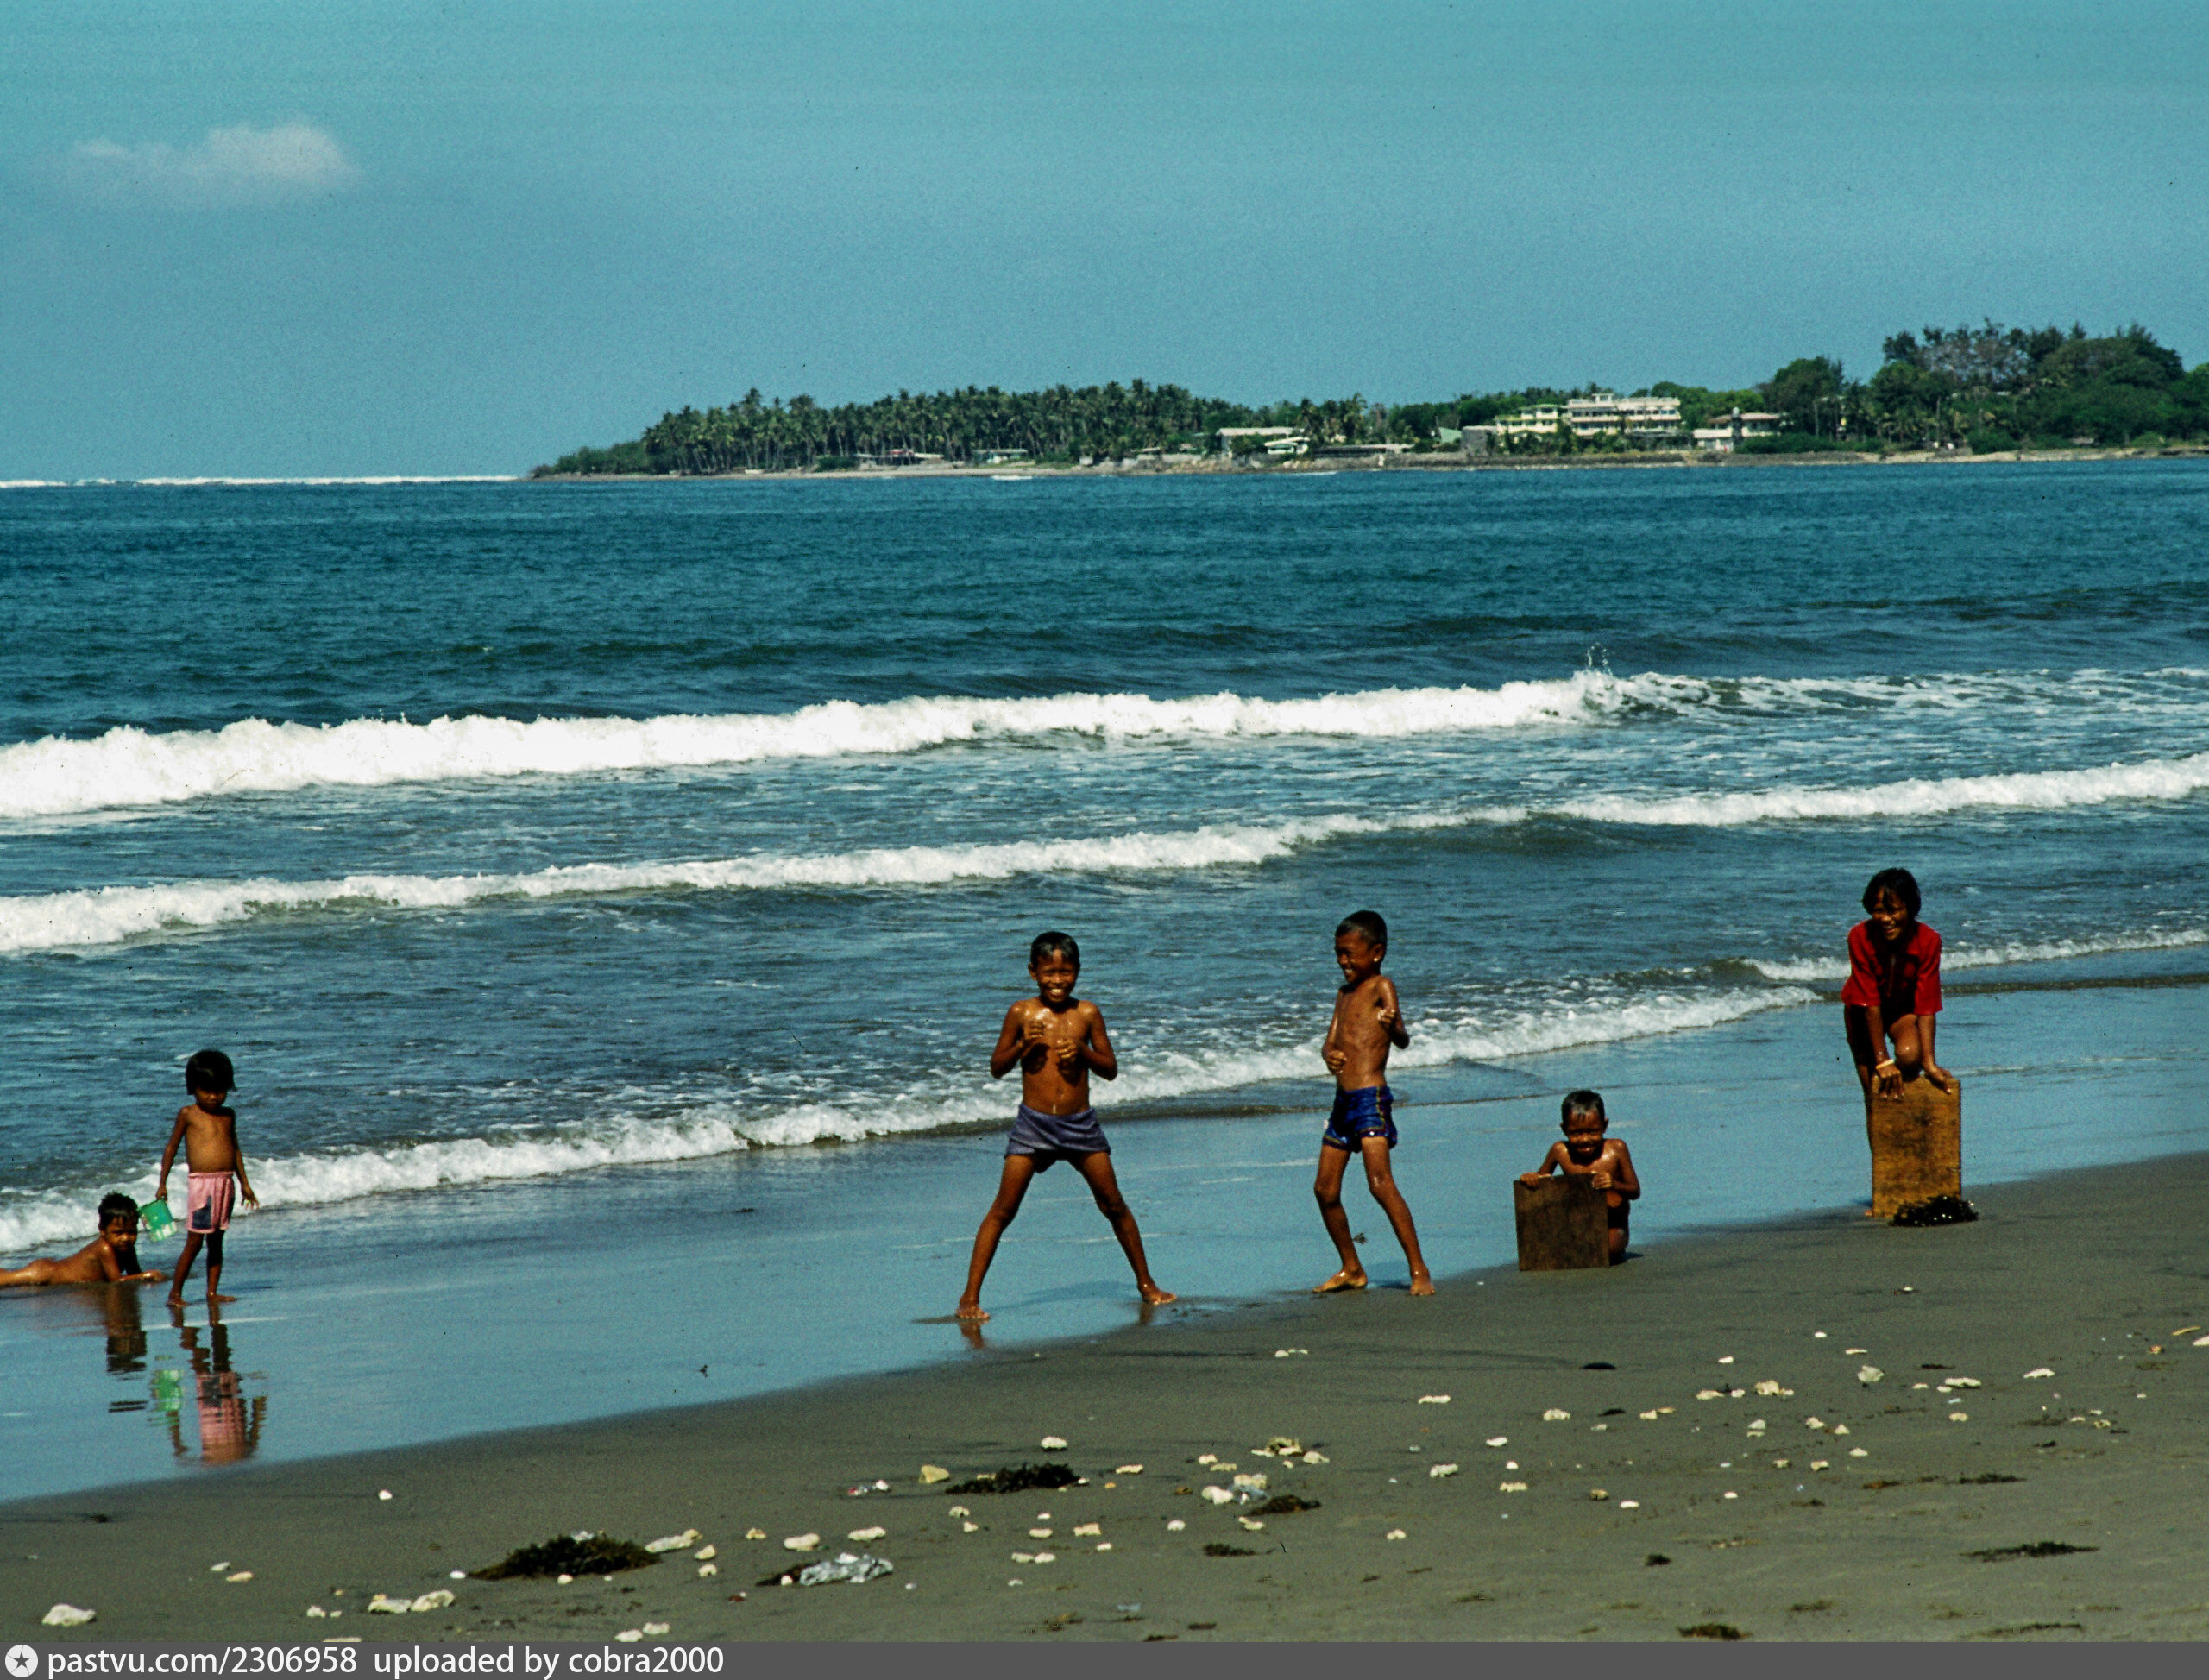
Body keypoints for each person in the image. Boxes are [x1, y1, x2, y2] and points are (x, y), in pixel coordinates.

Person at [955, 932, 1174, 1324]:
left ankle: (1147, 1284)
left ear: (1078, 972)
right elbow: (996, 1067)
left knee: (1114, 1204)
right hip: (1033, 1125)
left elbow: (1110, 1069)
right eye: (1049, 973)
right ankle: (968, 1298)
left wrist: (1085, 1052)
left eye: (1066, 973)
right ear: (1033, 973)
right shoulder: (1021, 1013)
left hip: (1080, 1125)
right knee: (1003, 1210)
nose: (1057, 981)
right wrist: (1023, 1047)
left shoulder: (1087, 1014)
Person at [1312, 910, 1434, 1296]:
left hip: (1370, 1099)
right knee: (1324, 1190)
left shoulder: (1382, 986)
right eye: (1338, 953)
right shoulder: (1343, 994)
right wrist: (1329, 1055)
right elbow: (1329, 1042)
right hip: (1342, 1103)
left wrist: (1391, 1023)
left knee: (1380, 1184)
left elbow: (1403, 1038)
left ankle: (1419, 1270)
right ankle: (1351, 1267)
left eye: (1349, 953)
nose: (1342, 961)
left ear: (1376, 952)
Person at [155, 1049, 259, 1306]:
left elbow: (235, 1149)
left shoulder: (228, 1115)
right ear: (193, 1088)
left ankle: (212, 1292)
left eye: (220, 1091)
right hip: (202, 1186)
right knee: (194, 1241)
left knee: (217, 1241)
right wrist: (162, 1183)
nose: (214, 1097)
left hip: (226, 1183)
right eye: (207, 1091)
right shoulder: (188, 1114)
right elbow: (171, 1147)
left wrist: (245, 1184)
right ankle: (175, 1293)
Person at [1842, 868, 1953, 1102]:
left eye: (1893, 911)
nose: (1885, 919)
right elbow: (1870, 1001)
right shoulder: (1859, 936)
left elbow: (1927, 1004)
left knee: (1910, 1057)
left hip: (1901, 1012)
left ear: (1910, 909)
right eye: (1878, 911)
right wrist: (1882, 1059)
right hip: (1862, 1012)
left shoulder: (1929, 940)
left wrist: (1929, 1063)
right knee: (1874, 1093)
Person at [1520, 1089, 1641, 1261]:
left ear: (1604, 1126)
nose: (1585, 1139)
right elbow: (1541, 1184)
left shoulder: (1617, 1149)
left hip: (1613, 1223)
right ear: (1564, 1129)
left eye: (1593, 1132)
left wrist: (1613, 1184)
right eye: (1576, 1133)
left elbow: (1635, 1191)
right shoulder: (1559, 1151)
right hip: (1576, 1222)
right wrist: (1531, 1179)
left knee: (1608, 1250)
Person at [0, 1192, 166, 1287]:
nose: (125, 1238)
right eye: (118, 1233)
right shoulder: (105, 1249)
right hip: (45, 1273)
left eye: (131, 1232)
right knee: (5, 1280)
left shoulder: (128, 1249)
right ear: (102, 1231)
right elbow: (117, 1281)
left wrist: (145, 1277)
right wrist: (147, 1276)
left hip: (52, 1271)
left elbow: (134, 1275)